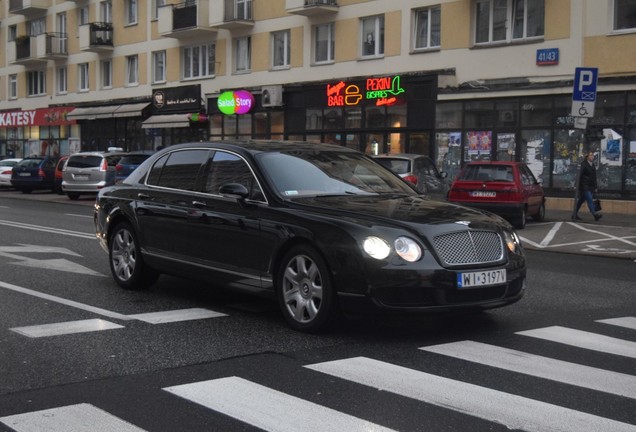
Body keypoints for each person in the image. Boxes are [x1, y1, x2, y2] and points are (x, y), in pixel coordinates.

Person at [573, 151, 602, 221]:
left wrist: (595, 187)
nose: (592, 157)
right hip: (584, 186)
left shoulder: (592, 165)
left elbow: (594, 177)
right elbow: (579, 175)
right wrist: (575, 184)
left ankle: (574, 214)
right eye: (591, 155)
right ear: (587, 157)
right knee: (589, 199)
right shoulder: (584, 164)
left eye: (592, 155)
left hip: (590, 186)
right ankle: (595, 214)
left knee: (580, 201)